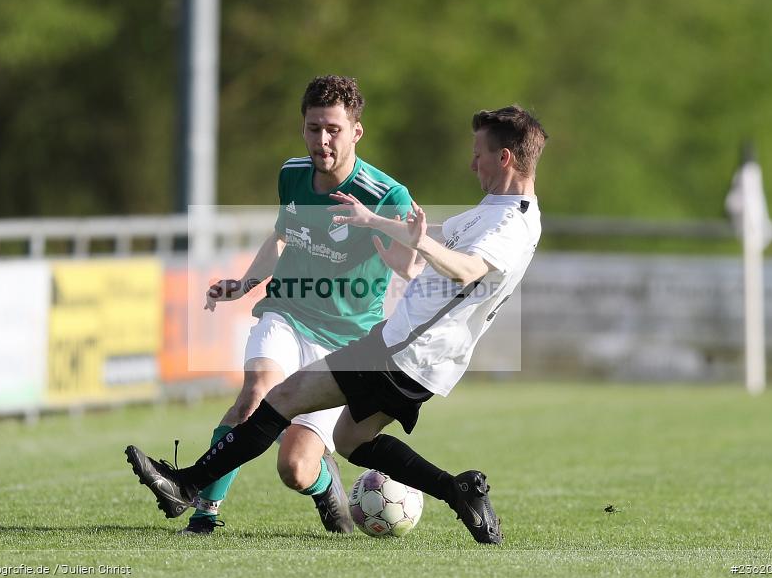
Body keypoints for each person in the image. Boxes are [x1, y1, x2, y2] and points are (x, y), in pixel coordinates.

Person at [127, 105, 547, 544]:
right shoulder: (494, 209)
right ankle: (457, 490)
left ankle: (188, 485)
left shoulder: (511, 221)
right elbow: (443, 258)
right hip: (414, 352)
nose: (471, 161)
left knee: (283, 398)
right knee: (350, 439)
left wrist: (415, 239)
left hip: (404, 351)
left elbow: (466, 270)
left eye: (478, 152)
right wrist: (387, 234)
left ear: (505, 159)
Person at [180, 75, 418, 535]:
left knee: (295, 469)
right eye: (313, 128)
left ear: (356, 132)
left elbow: (408, 265)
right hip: (288, 311)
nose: (322, 140)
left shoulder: (387, 194)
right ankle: (201, 509)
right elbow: (283, 236)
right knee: (254, 397)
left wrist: (394, 241)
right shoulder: (292, 174)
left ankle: (325, 485)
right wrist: (247, 282)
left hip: (346, 341)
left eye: (332, 129)